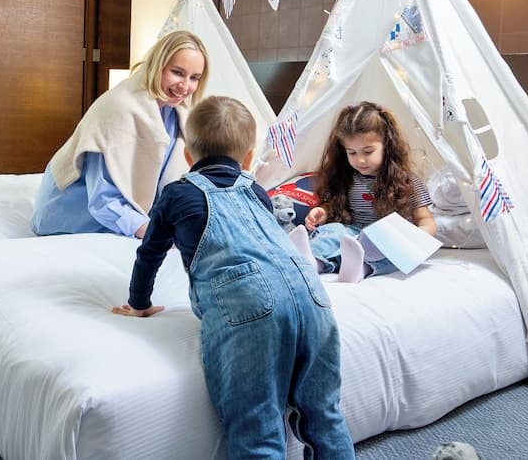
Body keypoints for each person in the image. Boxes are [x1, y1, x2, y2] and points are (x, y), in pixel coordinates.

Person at [113, 96, 354, 459]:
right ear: (248, 157)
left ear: (188, 157)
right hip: (312, 293)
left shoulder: (176, 194)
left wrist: (139, 303)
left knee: (257, 428)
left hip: (250, 305)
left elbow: (149, 254)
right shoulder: (256, 190)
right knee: (324, 415)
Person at [31, 30, 208, 238]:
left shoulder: (178, 114)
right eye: (177, 72)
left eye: (194, 78)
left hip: (123, 209)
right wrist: (156, 234)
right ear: (157, 65)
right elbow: (103, 200)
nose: (185, 86)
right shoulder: (118, 109)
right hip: (72, 210)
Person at [305, 101, 436, 283]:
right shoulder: (347, 177)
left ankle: (361, 269)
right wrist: (323, 212)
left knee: (390, 251)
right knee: (332, 231)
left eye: (368, 151)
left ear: (386, 145)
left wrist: (415, 239)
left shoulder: (408, 181)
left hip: (387, 238)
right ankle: (312, 262)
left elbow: (426, 220)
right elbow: (337, 209)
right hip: (354, 234)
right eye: (352, 153)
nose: (360, 160)